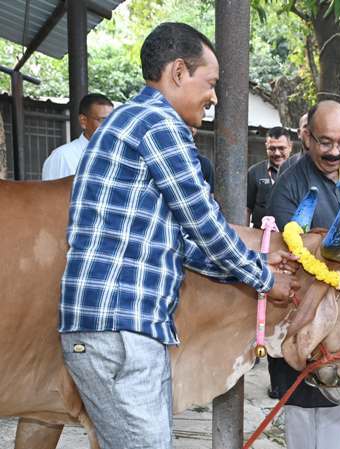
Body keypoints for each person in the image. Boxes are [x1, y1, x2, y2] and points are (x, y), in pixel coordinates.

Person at [58, 23, 299, 449]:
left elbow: (182, 245)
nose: (214, 97)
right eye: (210, 83)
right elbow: (204, 224)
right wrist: (265, 280)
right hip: (122, 329)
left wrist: (258, 264)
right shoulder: (158, 124)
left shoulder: (129, 121)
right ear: (178, 72)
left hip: (111, 328)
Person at [267, 99, 340, 449]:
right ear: (307, 138)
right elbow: (288, 253)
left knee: (337, 400)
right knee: (301, 406)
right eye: (325, 142)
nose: (334, 152)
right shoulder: (291, 181)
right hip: (303, 311)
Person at [42, 93, 113, 180]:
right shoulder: (63, 156)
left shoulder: (116, 156)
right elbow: (51, 193)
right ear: (83, 121)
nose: (110, 126)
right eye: (103, 120)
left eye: (113, 120)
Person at [247, 126, 292, 227]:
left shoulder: (298, 172)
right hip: (259, 236)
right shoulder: (254, 172)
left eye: (281, 148)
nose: (277, 153)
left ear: (290, 147)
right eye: (272, 148)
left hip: (289, 237)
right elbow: (247, 208)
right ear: (266, 147)